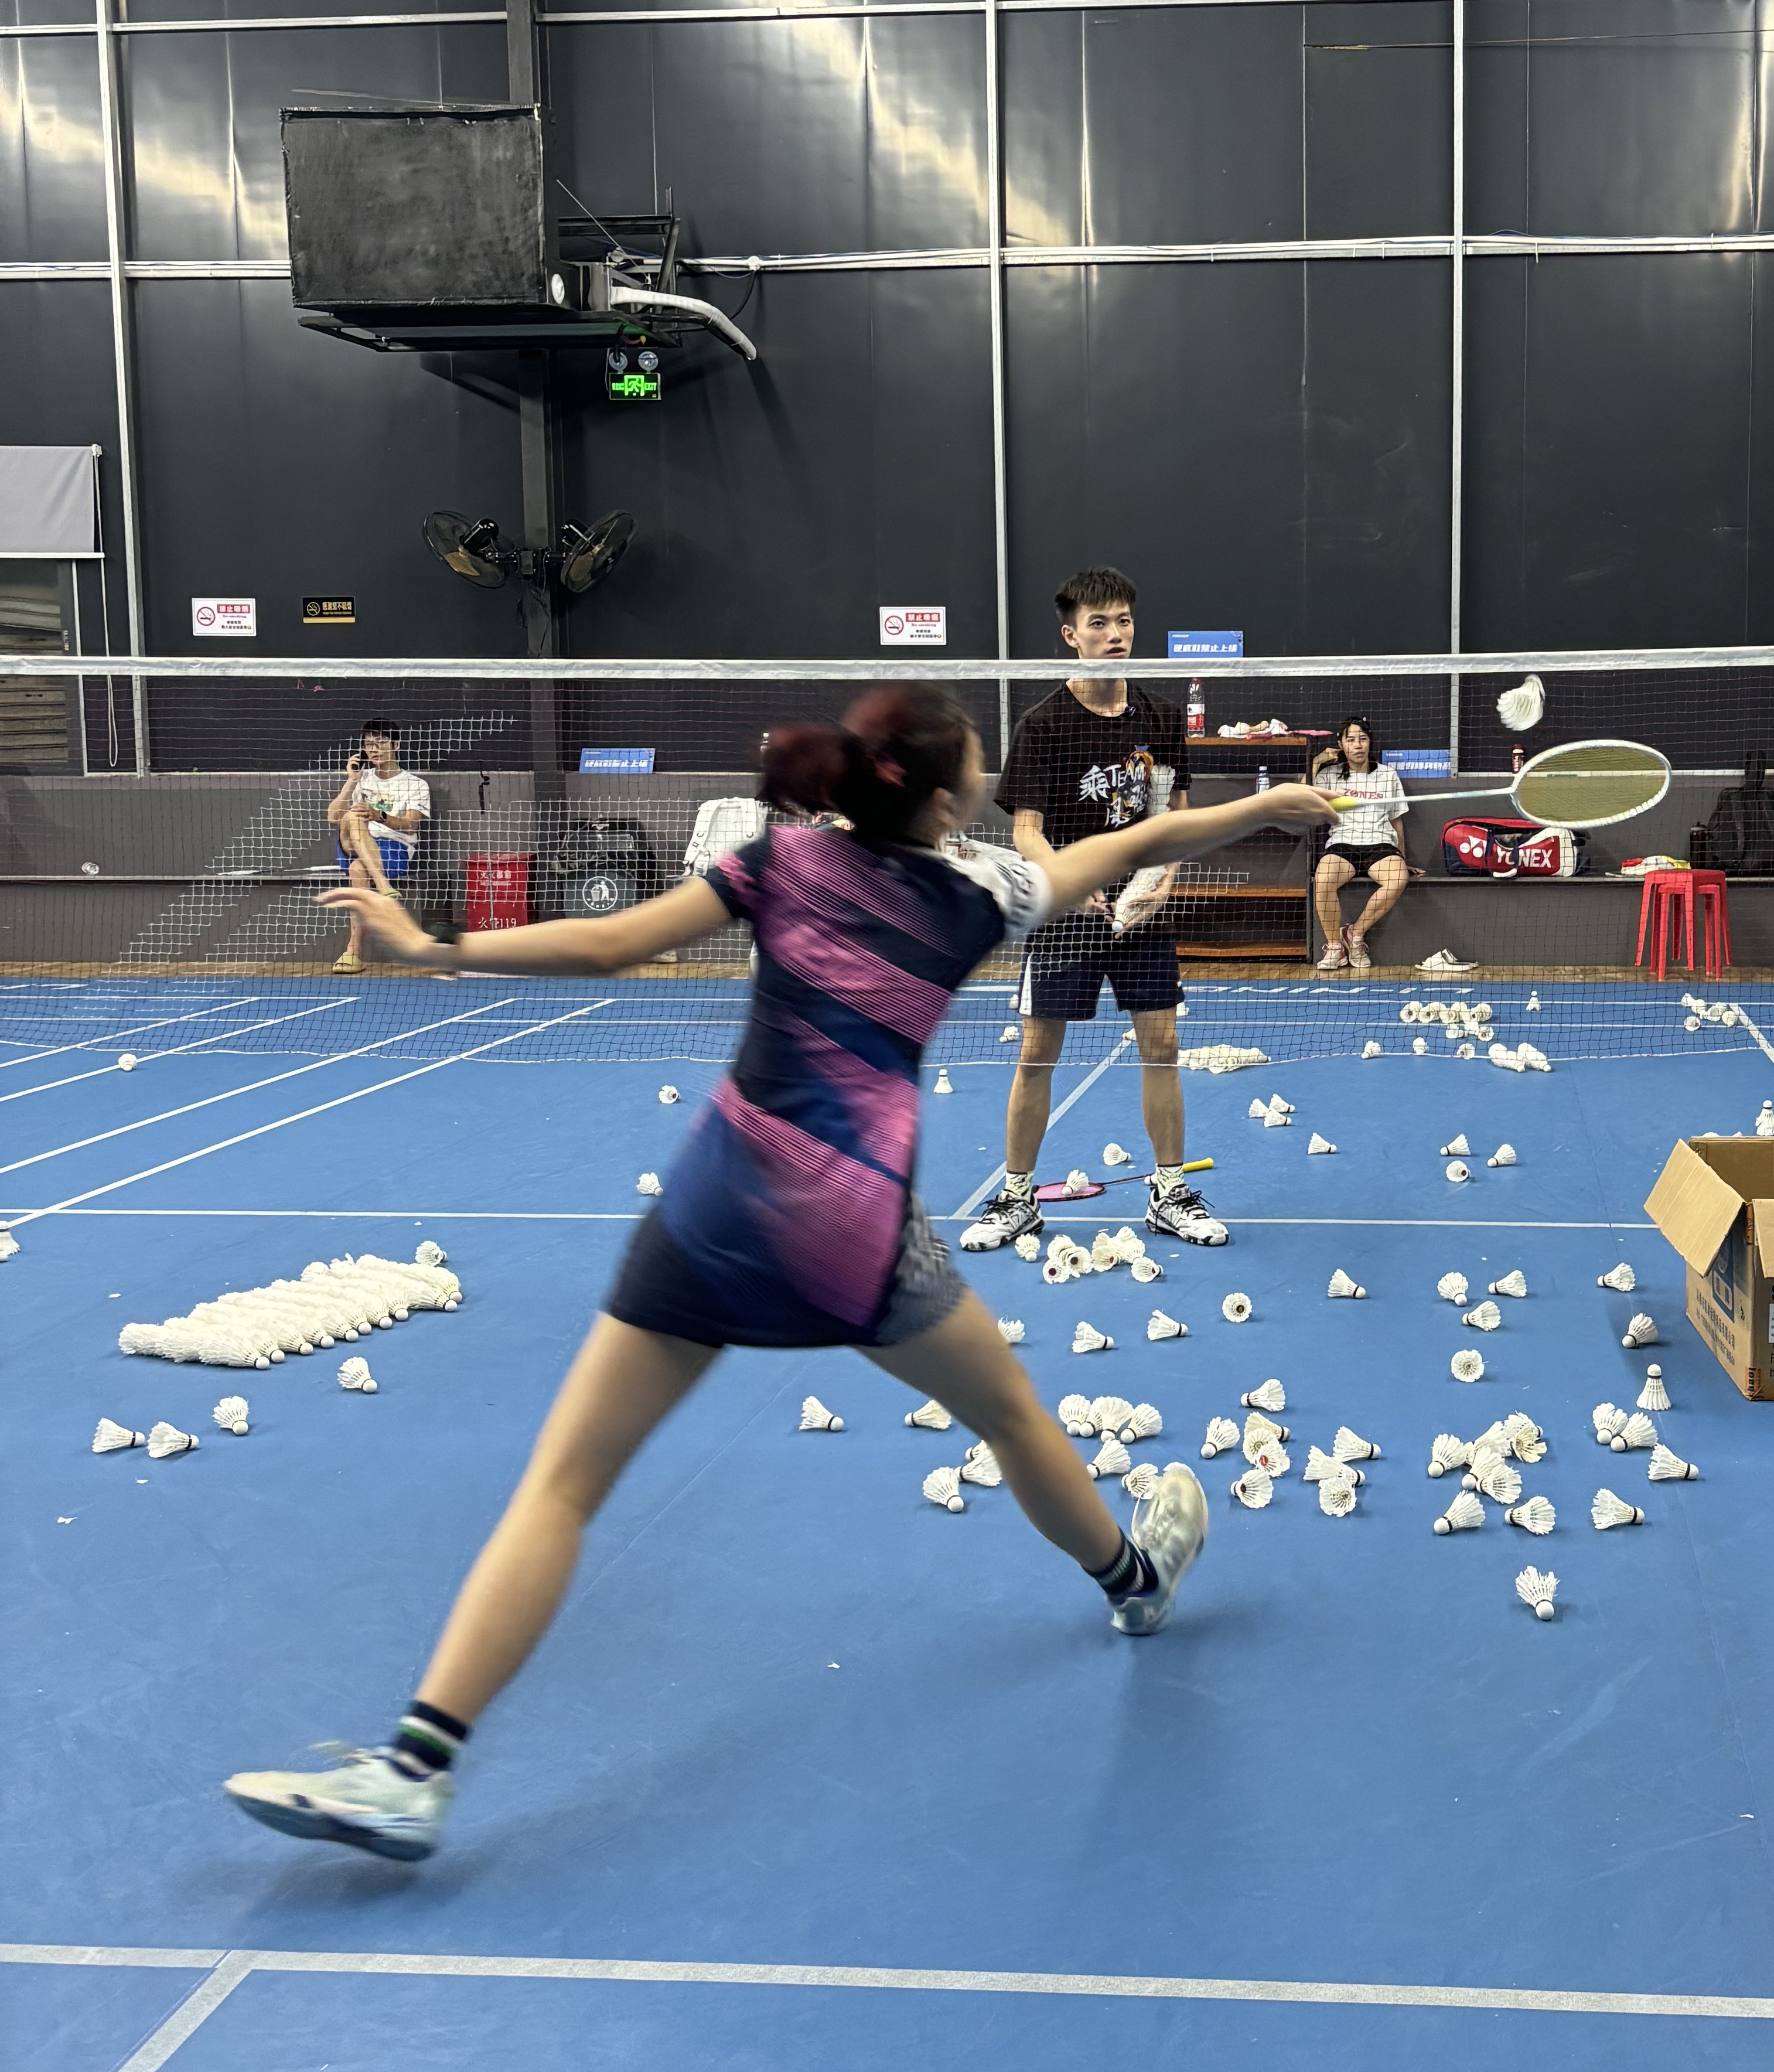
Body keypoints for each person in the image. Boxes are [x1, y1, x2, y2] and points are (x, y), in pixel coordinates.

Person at [220, 684, 1342, 1865]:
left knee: (561, 1487)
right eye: (973, 765)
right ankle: (1134, 1581)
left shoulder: (780, 859)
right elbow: (1139, 841)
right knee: (1011, 1416)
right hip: (854, 1229)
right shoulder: (983, 895)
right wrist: (1265, 805)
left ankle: (413, 1772)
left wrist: (428, 944)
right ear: (946, 799)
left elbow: (608, 943)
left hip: (717, 1201)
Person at [961, 567, 1227, 1252]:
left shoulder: (1161, 718)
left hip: (1142, 910)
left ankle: (1170, 1192)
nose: (1115, 634)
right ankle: (1018, 1196)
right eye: (1099, 623)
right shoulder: (1044, 724)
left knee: (1162, 1047)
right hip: (1065, 913)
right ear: (1071, 635)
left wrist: (1163, 877)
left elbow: (1174, 814)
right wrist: (1068, 880)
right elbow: (1026, 831)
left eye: (1124, 620)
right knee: (1037, 1052)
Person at [323, 717, 431, 974]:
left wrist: (379, 816)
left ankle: (353, 952)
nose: (374, 749)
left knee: (357, 869)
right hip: (353, 843)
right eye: (368, 744)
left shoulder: (415, 784)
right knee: (351, 816)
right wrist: (352, 780)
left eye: (380, 743)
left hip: (393, 847)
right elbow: (333, 818)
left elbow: (411, 825)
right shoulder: (362, 779)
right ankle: (383, 885)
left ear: (396, 746)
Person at [1307, 715, 1411, 970]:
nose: (1357, 745)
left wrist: (1403, 858)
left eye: (1363, 739)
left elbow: (1397, 821)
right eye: (1351, 740)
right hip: (1343, 843)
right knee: (1323, 879)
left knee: (1399, 878)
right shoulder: (1329, 775)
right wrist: (1316, 763)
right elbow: (1302, 798)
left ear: (1370, 742)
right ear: (1341, 744)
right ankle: (1335, 948)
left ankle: (1355, 933)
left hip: (1380, 843)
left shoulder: (1387, 775)